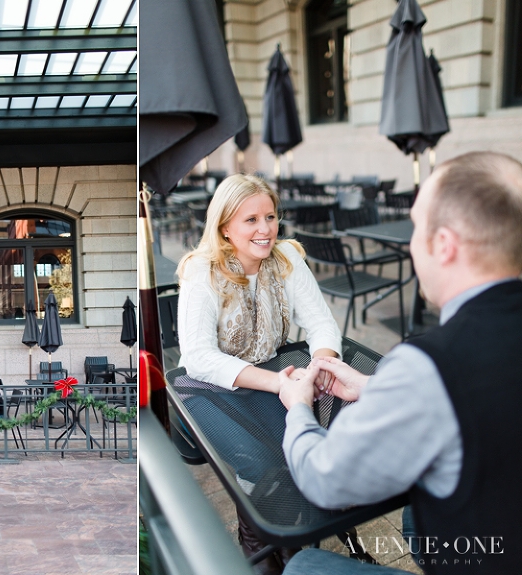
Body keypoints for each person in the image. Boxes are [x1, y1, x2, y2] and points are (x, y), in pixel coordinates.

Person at [278, 151, 522, 575]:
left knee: (304, 567)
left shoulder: (432, 364)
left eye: (415, 227)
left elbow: (323, 479)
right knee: (417, 511)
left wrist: (299, 407)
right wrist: (373, 387)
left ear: (443, 245)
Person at [176, 173, 342, 574]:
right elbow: (198, 357)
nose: (265, 229)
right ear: (225, 227)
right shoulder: (204, 270)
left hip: (274, 370)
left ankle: (291, 538)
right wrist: (279, 384)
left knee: (307, 444)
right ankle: (258, 541)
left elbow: (322, 324)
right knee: (261, 462)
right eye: (250, 220)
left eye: (270, 216)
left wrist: (319, 364)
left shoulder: (286, 259)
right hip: (210, 385)